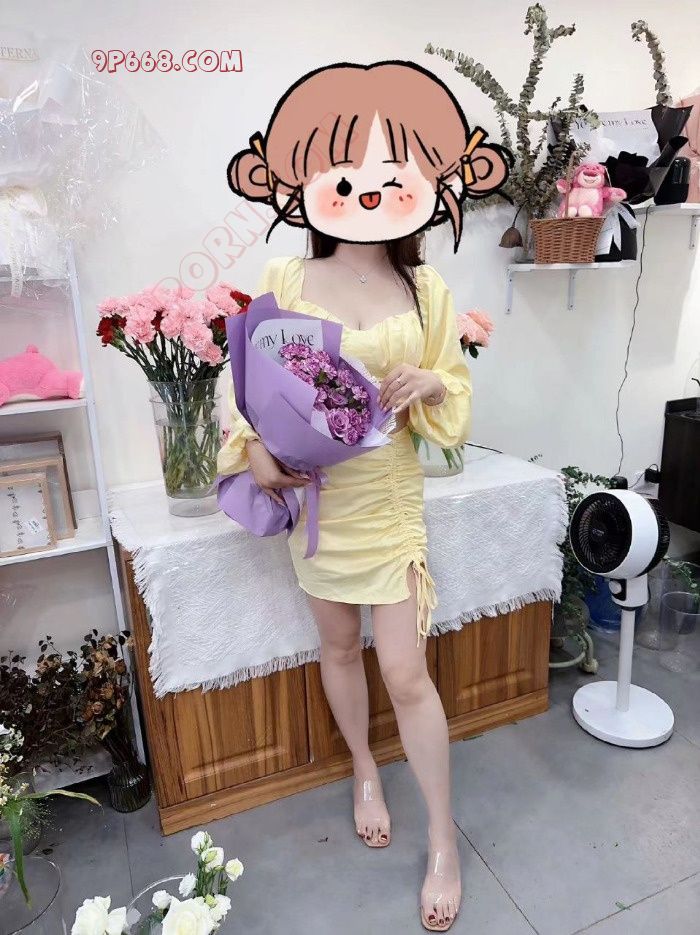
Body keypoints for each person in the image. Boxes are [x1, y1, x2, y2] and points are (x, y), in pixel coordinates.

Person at [217, 60, 510, 932]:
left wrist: (431, 381)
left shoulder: (427, 289)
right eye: (345, 176)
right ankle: (363, 767)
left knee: (407, 673)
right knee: (338, 649)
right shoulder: (287, 278)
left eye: (391, 175)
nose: (367, 192)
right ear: (311, 184)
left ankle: (443, 841)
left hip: (387, 503)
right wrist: (253, 450)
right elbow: (243, 382)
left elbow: (455, 389)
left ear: (422, 186)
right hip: (318, 504)